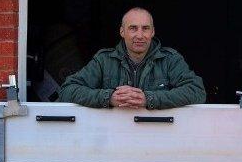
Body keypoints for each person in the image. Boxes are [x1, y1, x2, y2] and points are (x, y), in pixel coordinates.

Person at [58, 7, 206, 110]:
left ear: (153, 31)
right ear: (122, 31)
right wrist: (109, 98)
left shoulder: (170, 60)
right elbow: (68, 89)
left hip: (159, 135)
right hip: (113, 137)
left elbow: (197, 91)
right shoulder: (104, 60)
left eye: (145, 28)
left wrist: (149, 99)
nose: (140, 35)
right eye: (133, 28)